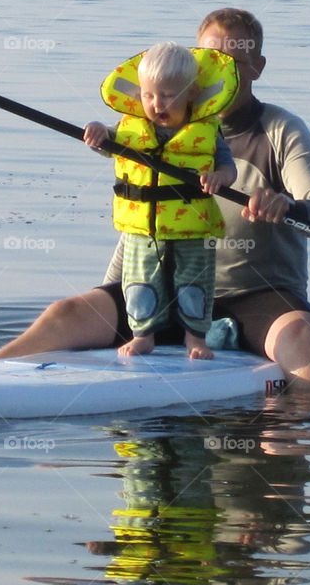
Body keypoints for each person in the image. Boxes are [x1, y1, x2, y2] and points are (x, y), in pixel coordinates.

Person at [0, 8, 310, 393]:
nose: (216, 75)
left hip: (256, 298)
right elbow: (144, 220)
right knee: (65, 313)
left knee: (302, 337)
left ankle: (300, 419)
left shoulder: (280, 130)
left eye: (232, 64)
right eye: (208, 62)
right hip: (163, 294)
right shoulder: (150, 130)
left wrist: (286, 206)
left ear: (257, 68)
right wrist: (108, 294)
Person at [83, 41, 239, 360]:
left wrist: (219, 178)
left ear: (192, 93)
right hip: (143, 229)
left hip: (192, 228)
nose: (157, 104)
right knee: (139, 282)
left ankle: (196, 338)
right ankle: (143, 335)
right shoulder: (131, 127)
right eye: (149, 95)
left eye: (168, 95)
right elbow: (108, 142)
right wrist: (98, 133)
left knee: (194, 283)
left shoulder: (206, 131)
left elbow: (229, 168)